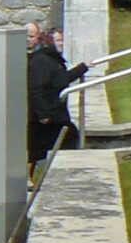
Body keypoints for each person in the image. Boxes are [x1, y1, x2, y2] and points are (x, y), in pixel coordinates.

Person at [26, 22, 88, 172]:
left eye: (62, 40)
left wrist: (83, 67)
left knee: (38, 148)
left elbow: (61, 79)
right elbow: (36, 88)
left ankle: (34, 176)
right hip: (46, 114)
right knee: (36, 148)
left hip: (52, 113)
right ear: (49, 41)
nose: (62, 43)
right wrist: (43, 114)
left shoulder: (50, 60)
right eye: (58, 40)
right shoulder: (41, 61)